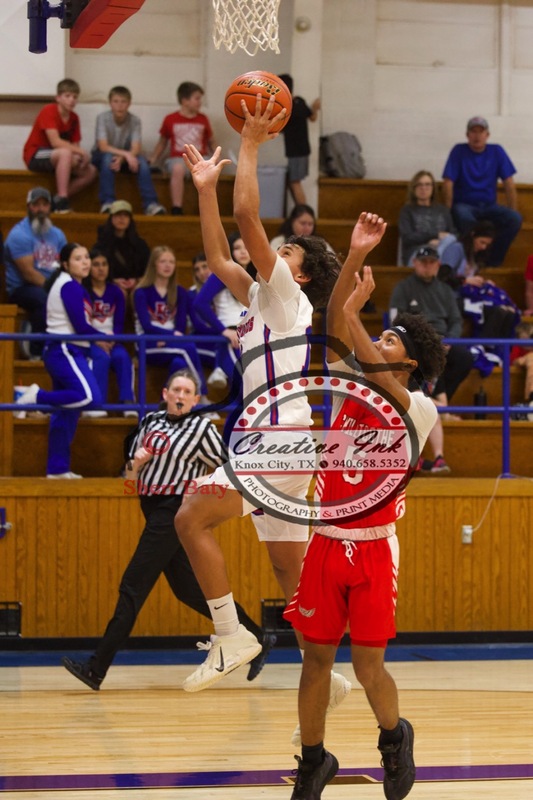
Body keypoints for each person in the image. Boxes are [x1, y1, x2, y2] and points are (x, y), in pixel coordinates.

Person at [174, 97, 343, 700]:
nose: (276, 250)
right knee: (287, 568)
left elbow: (247, 214)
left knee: (190, 517)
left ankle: (230, 635)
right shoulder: (260, 299)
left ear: (300, 274)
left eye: (287, 251)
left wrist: (248, 142)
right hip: (282, 444)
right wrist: (204, 190)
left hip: (278, 441)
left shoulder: (288, 297)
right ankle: (323, 669)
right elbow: (220, 257)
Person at [283, 213, 447, 800]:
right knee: (315, 661)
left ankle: (393, 737)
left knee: (368, 666)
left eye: (391, 339)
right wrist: (353, 256)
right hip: (327, 541)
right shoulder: (351, 383)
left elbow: (364, 350)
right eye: (379, 335)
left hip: (375, 551)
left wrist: (355, 312)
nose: (379, 342)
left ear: (410, 363)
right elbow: (334, 323)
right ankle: (313, 761)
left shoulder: (419, 409)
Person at [61, 369, 275, 690]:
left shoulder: (201, 428)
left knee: (132, 586)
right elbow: (129, 476)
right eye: (176, 390)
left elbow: (231, 465)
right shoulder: (150, 423)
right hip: (152, 511)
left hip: (175, 511)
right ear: (165, 394)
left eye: (187, 392)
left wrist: (206, 480)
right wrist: (136, 463)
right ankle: (258, 637)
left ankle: (96, 668)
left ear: (196, 399)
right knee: (188, 591)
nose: (180, 396)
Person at [14, 243, 104, 478]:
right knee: (89, 397)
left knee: (66, 412)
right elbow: (80, 326)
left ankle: (57, 468)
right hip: (64, 349)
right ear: (65, 264)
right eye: (78, 259)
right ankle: (36, 396)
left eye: (86, 257)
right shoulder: (68, 286)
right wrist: (105, 338)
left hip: (67, 350)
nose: (85, 262)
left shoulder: (72, 284)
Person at [389, 246, 474, 414]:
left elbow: (456, 320)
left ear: (438, 264)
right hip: (416, 341)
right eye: (423, 262)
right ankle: (430, 405)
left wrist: (450, 340)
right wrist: (412, 341)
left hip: (443, 340)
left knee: (464, 358)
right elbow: (396, 319)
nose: (427, 266)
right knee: (426, 358)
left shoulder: (446, 290)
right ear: (415, 263)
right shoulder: (403, 288)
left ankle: (438, 405)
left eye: (431, 262)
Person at [441, 116, 522, 266]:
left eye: (481, 131)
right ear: (467, 135)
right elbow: (448, 182)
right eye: (473, 131)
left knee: (514, 219)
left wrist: (513, 209)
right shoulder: (458, 150)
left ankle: (492, 261)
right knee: (465, 218)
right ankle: (470, 260)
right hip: (464, 205)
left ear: (487, 135)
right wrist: (447, 212)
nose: (477, 136)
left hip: (489, 206)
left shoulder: (497, 151)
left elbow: (509, 183)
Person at [133, 245, 207, 399]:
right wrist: (170, 335)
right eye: (163, 261)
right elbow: (146, 326)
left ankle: (166, 403)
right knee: (188, 347)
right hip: (148, 344)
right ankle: (202, 394)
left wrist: (168, 338)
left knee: (179, 364)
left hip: (171, 344)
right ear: (154, 264)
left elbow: (180, 326)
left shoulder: (180, 292)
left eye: (171, 262)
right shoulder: (141, 292)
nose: (168, 266)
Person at [3, 187, 67, 357]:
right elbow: (28, 273)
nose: (40, 209)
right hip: (22, 288)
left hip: (50, 283)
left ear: (50, 207)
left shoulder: (58, 234)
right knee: (43, 298)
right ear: (28, 207)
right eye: (36, 205)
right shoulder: (19, 234)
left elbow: (65, 263)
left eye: (45, 205)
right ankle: (35, 349)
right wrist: (54, 289)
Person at [22, 78, 96, 213]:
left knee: (90, 171)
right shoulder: (49, 110)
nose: (72, 100)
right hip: (36, 154)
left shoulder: (74, 118)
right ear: (58, 98)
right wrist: (81, 152)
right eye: (67, 96)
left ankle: (55, 199)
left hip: (59, 157)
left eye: (75, 97)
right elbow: (55, 142)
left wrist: (78, 157)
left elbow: (75, 145)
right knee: (65, 153)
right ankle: (62, 199)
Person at [92, 85, 166, 216]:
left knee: (142, 162)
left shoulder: (135, 121)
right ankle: (108, 202)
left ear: (129, 103)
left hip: (126, 158)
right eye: (116, 101)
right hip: (102, 156)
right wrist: (126, 155)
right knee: (108, 158)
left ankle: (151, 204)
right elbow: (103, 146)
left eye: (123, 101)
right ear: (110, 103)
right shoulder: (102, 118)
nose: (119, 106)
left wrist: (123, 158)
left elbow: (136, 148)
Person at [82, 248, 137, 419]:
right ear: (89, 267)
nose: (101, 269)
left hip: (112, 339)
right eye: (96, 264)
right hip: (90, 340)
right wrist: (97, 340)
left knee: (122, 357)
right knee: (102, 358)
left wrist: (111, 340)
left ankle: (128, 403)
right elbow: (82, 323)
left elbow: (119, 323)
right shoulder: (84, 291)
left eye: (104, 264)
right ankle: (96, 404)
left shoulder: (116, 292)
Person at [440, 222, 520, 340]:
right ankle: (482, 346)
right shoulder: (456, 249)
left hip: (467, 297)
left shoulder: (475, 255)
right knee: (497, 311)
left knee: (509, 312)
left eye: (487, 244)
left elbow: (469, 280)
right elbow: (442, 276)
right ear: (473, 235)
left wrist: (483, 283)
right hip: (453, 298)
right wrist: (464, 280)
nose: (483, 247)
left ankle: (499, 348)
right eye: (482, 242)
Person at [149, 81, 215, 216]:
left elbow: (211, 142)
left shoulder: (203, 119)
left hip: (200, 158)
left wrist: (217, 158)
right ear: (185, 101)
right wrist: (153, 159)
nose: (200, 102)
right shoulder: (170, 119)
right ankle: (177, 208)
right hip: (178, 158)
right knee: (178, 169)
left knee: (209, 170)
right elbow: (162, 142)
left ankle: (208, 208)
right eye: (197, 99)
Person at [193, 232, 249, 391]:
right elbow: (200, 303)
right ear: (230, 251)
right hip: (231, 341)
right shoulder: (222, 274)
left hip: (248, 339)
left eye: (246, 247)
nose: (243, 251)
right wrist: (223, 330)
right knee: (245, 389)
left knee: (249, 393)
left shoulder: (253, 275)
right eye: (237, 248)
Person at [277, 74, 320, 206]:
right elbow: (312, 118)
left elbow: (277, 129)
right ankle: (300, 210)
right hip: (303, 149)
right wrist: (315, 108)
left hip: (295, 151)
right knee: (293, 182)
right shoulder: (299, 101)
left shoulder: (285, 108)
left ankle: (303, 212)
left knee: (295, 182)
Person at [93, 200, 150, 298]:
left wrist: (136, 280)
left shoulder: (140, 244)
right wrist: (113, 280)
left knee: (138, 293)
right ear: (111, 218)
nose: (122, 218)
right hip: (109, 282)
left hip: (136, 283)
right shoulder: (102, 244)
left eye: (126, 215)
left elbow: (147, 268)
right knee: (120, 293)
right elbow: (96, 268)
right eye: (118, 215)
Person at [398, 170, 456, 265]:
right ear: (413, 188)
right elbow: (407, 237)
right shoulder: (407, 211)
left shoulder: (443, 210)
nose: (423, 188)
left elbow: (452, 233)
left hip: (442, 249)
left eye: (427, 184)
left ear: (433, 188)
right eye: (419, 185)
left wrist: (440, 242)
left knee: (454, 243)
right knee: (430, 251)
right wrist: (433, 237)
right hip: (417, 252)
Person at [510, 321, 533, 420]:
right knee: (513, 412)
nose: (526, 343)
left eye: (528, 339)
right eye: (522, 339)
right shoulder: (517, 348)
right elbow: (514, 362)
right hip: (529, 401)